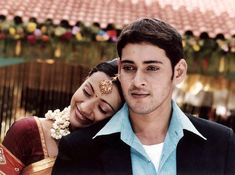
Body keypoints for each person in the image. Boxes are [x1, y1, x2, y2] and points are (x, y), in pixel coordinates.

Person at [52, 17, 235, 175]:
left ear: (178, 72)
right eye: (129, 68)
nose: (138, 81)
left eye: (152, 68)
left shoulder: (221, 143)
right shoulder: (79, 149)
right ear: (120, 70)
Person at [0, 59, 124, 175]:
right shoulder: (28, 131)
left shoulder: (114, 158)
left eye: (102, 109)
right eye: (86, 91)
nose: (85, 108)